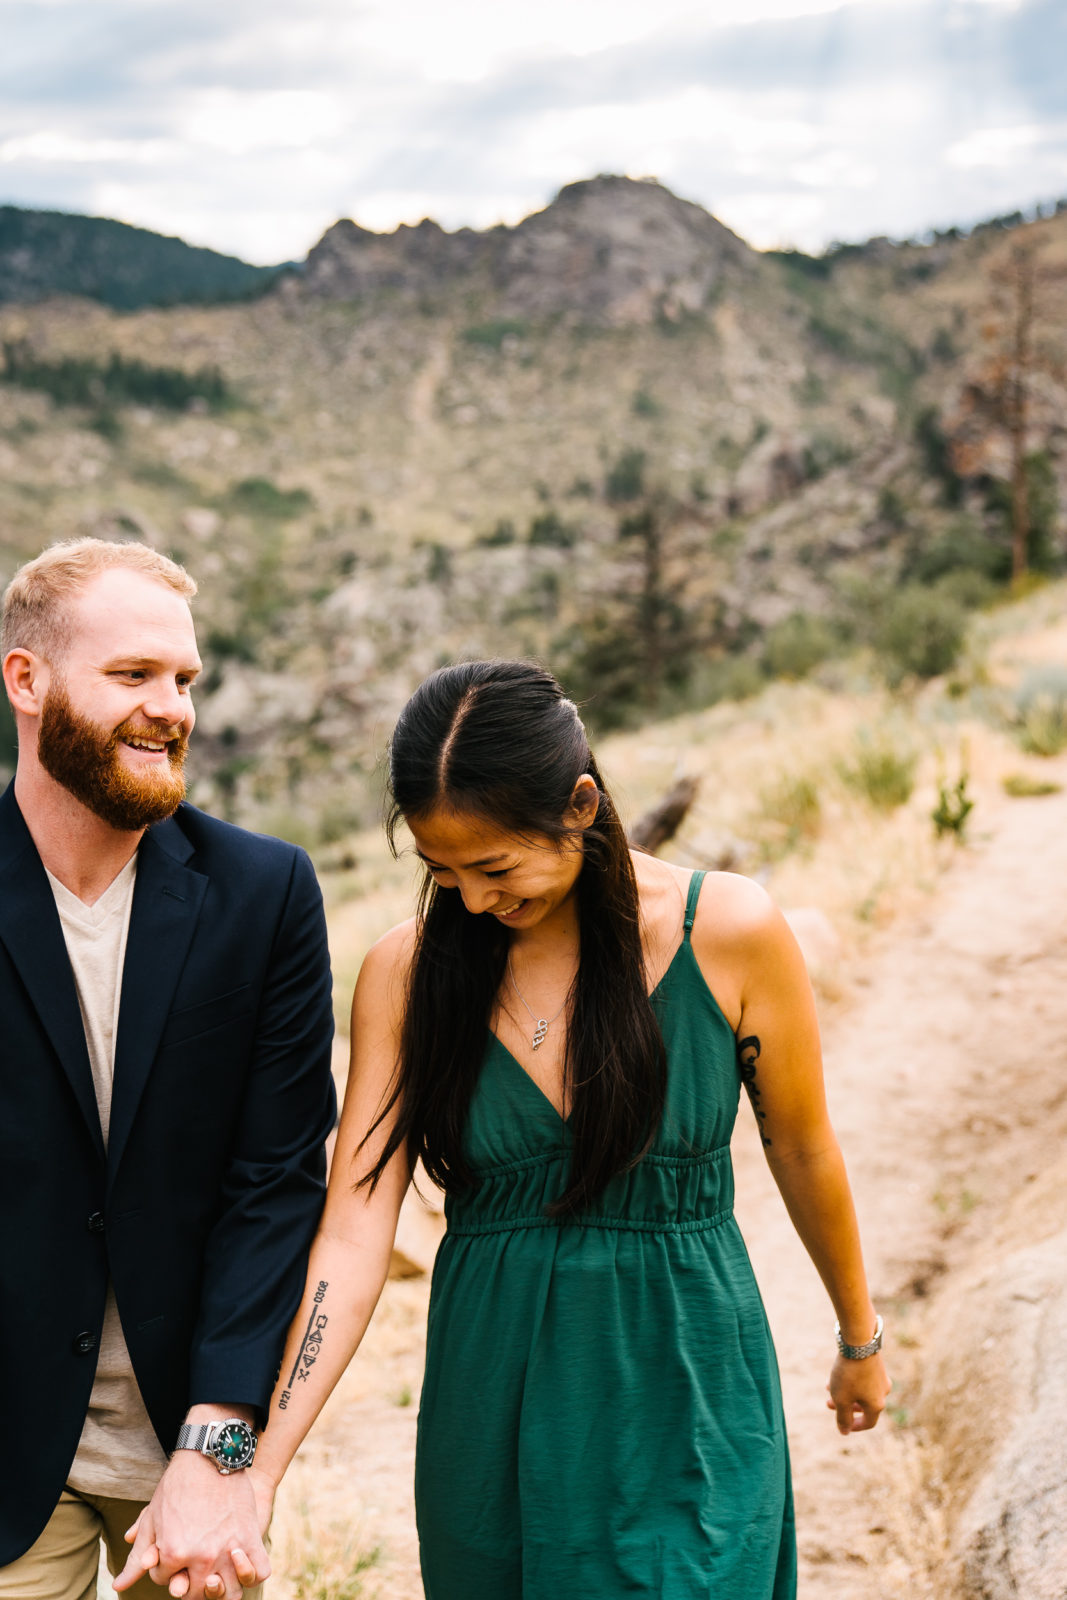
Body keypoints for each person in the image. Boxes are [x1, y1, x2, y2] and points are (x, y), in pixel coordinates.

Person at [131, 656, 890, 1599]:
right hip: (491, 1403)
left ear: (579, 804)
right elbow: (355, 1232)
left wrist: (858, 1338)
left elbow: (802, 1146)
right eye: (441, 870)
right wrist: (258, 1468)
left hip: (685, 1384)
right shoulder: (405, 976)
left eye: (493, 865)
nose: (472, 899)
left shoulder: (727, 928)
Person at [0, 538, 336, 1600]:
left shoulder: (266, 893)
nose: (171, 706)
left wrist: (220, 1447)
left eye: (184, 678)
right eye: (133, 674)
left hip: (194, 1433)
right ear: (26, 680)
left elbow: (274, 1182)